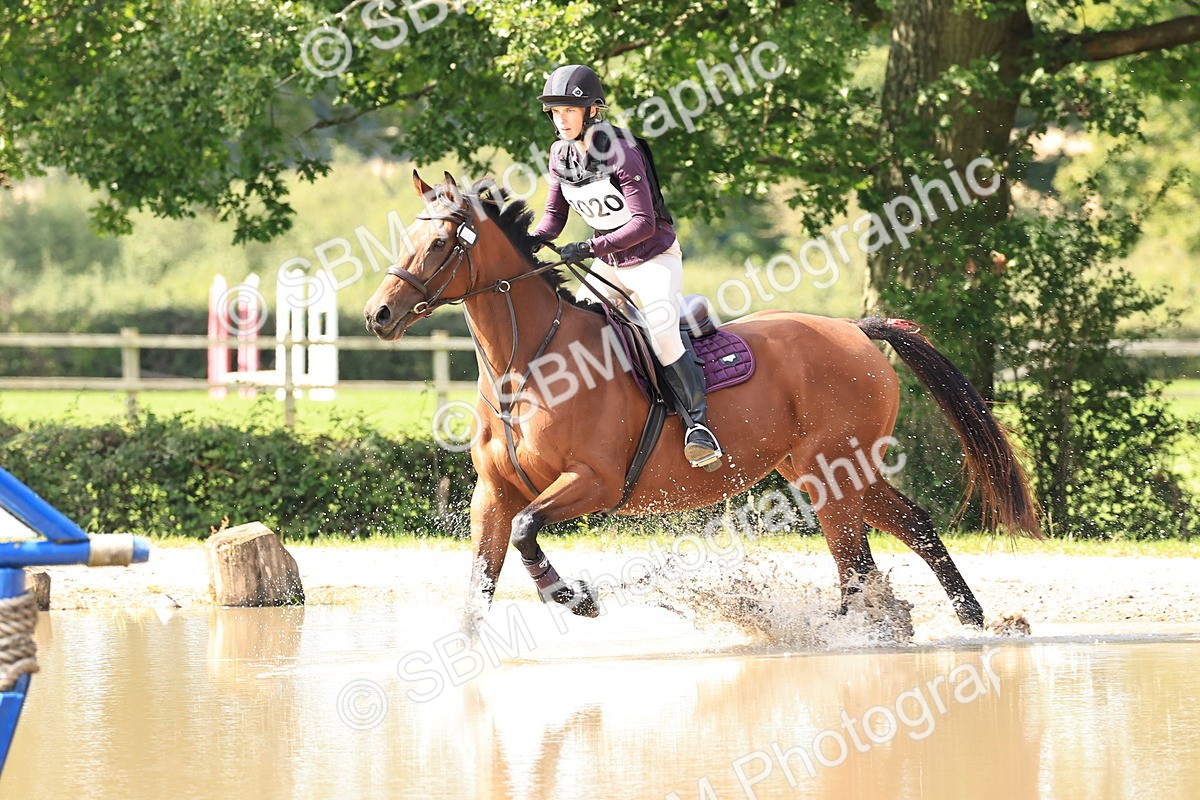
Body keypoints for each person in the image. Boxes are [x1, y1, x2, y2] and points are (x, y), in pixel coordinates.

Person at [531, 64, 723, 471]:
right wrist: (524, 242)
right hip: (610, 263)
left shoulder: (621, 151)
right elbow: (553, 217)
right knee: (574, 329)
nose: (560, 118)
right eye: (554, 111)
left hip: (653, 258)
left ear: (592, 111)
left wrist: (588, 246)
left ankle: (698, 427)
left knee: (663, 333)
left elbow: (643, 224)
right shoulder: (559, 154)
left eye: (568, 110)